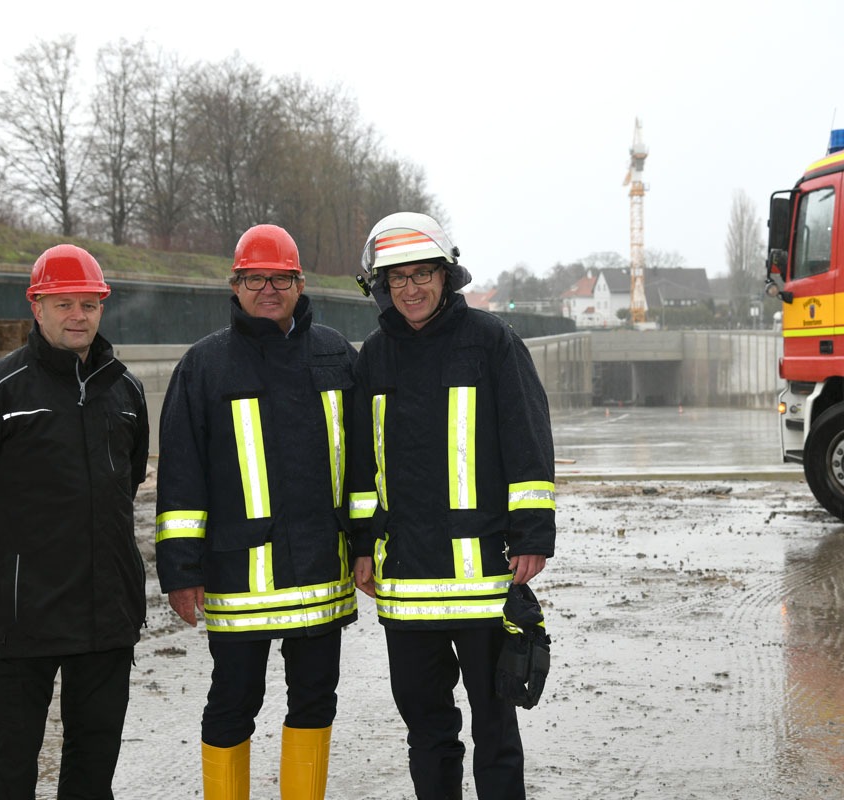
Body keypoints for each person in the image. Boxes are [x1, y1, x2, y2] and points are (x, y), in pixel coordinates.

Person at [0, 244, 151, 800]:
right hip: (20, 617)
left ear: (102, 307)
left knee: (94, 762)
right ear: (37, 306)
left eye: (89, 303)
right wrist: (6, 565)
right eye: (63, 304)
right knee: (13, 763)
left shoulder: (125, 392)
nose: (78, 315)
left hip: (106, 615)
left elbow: (127, 485)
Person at [349, 212, 556, 800]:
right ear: (381, 287)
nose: (411, 289)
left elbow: (526, 438)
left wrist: (534, 534)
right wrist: (363, 545)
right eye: (397, 279)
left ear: (447, 275)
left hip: (483, 574)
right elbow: (362, 468)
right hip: (407, 580)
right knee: (426, 727)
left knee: (496, 725)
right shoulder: (373, 358)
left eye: (422, 275)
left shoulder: (491, 342)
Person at [154, 223, 361, 800]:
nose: (267, 289)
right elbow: (181, 478)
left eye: (280, 279)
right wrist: (180, 573)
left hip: (322, 571)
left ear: (300, 283)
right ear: (236, 285)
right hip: (238, 579)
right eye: (254, 279)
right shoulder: (204, 365)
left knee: (317, 700)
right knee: (232, 704)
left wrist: (366, 545)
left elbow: (367, 462)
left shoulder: (335, 355)